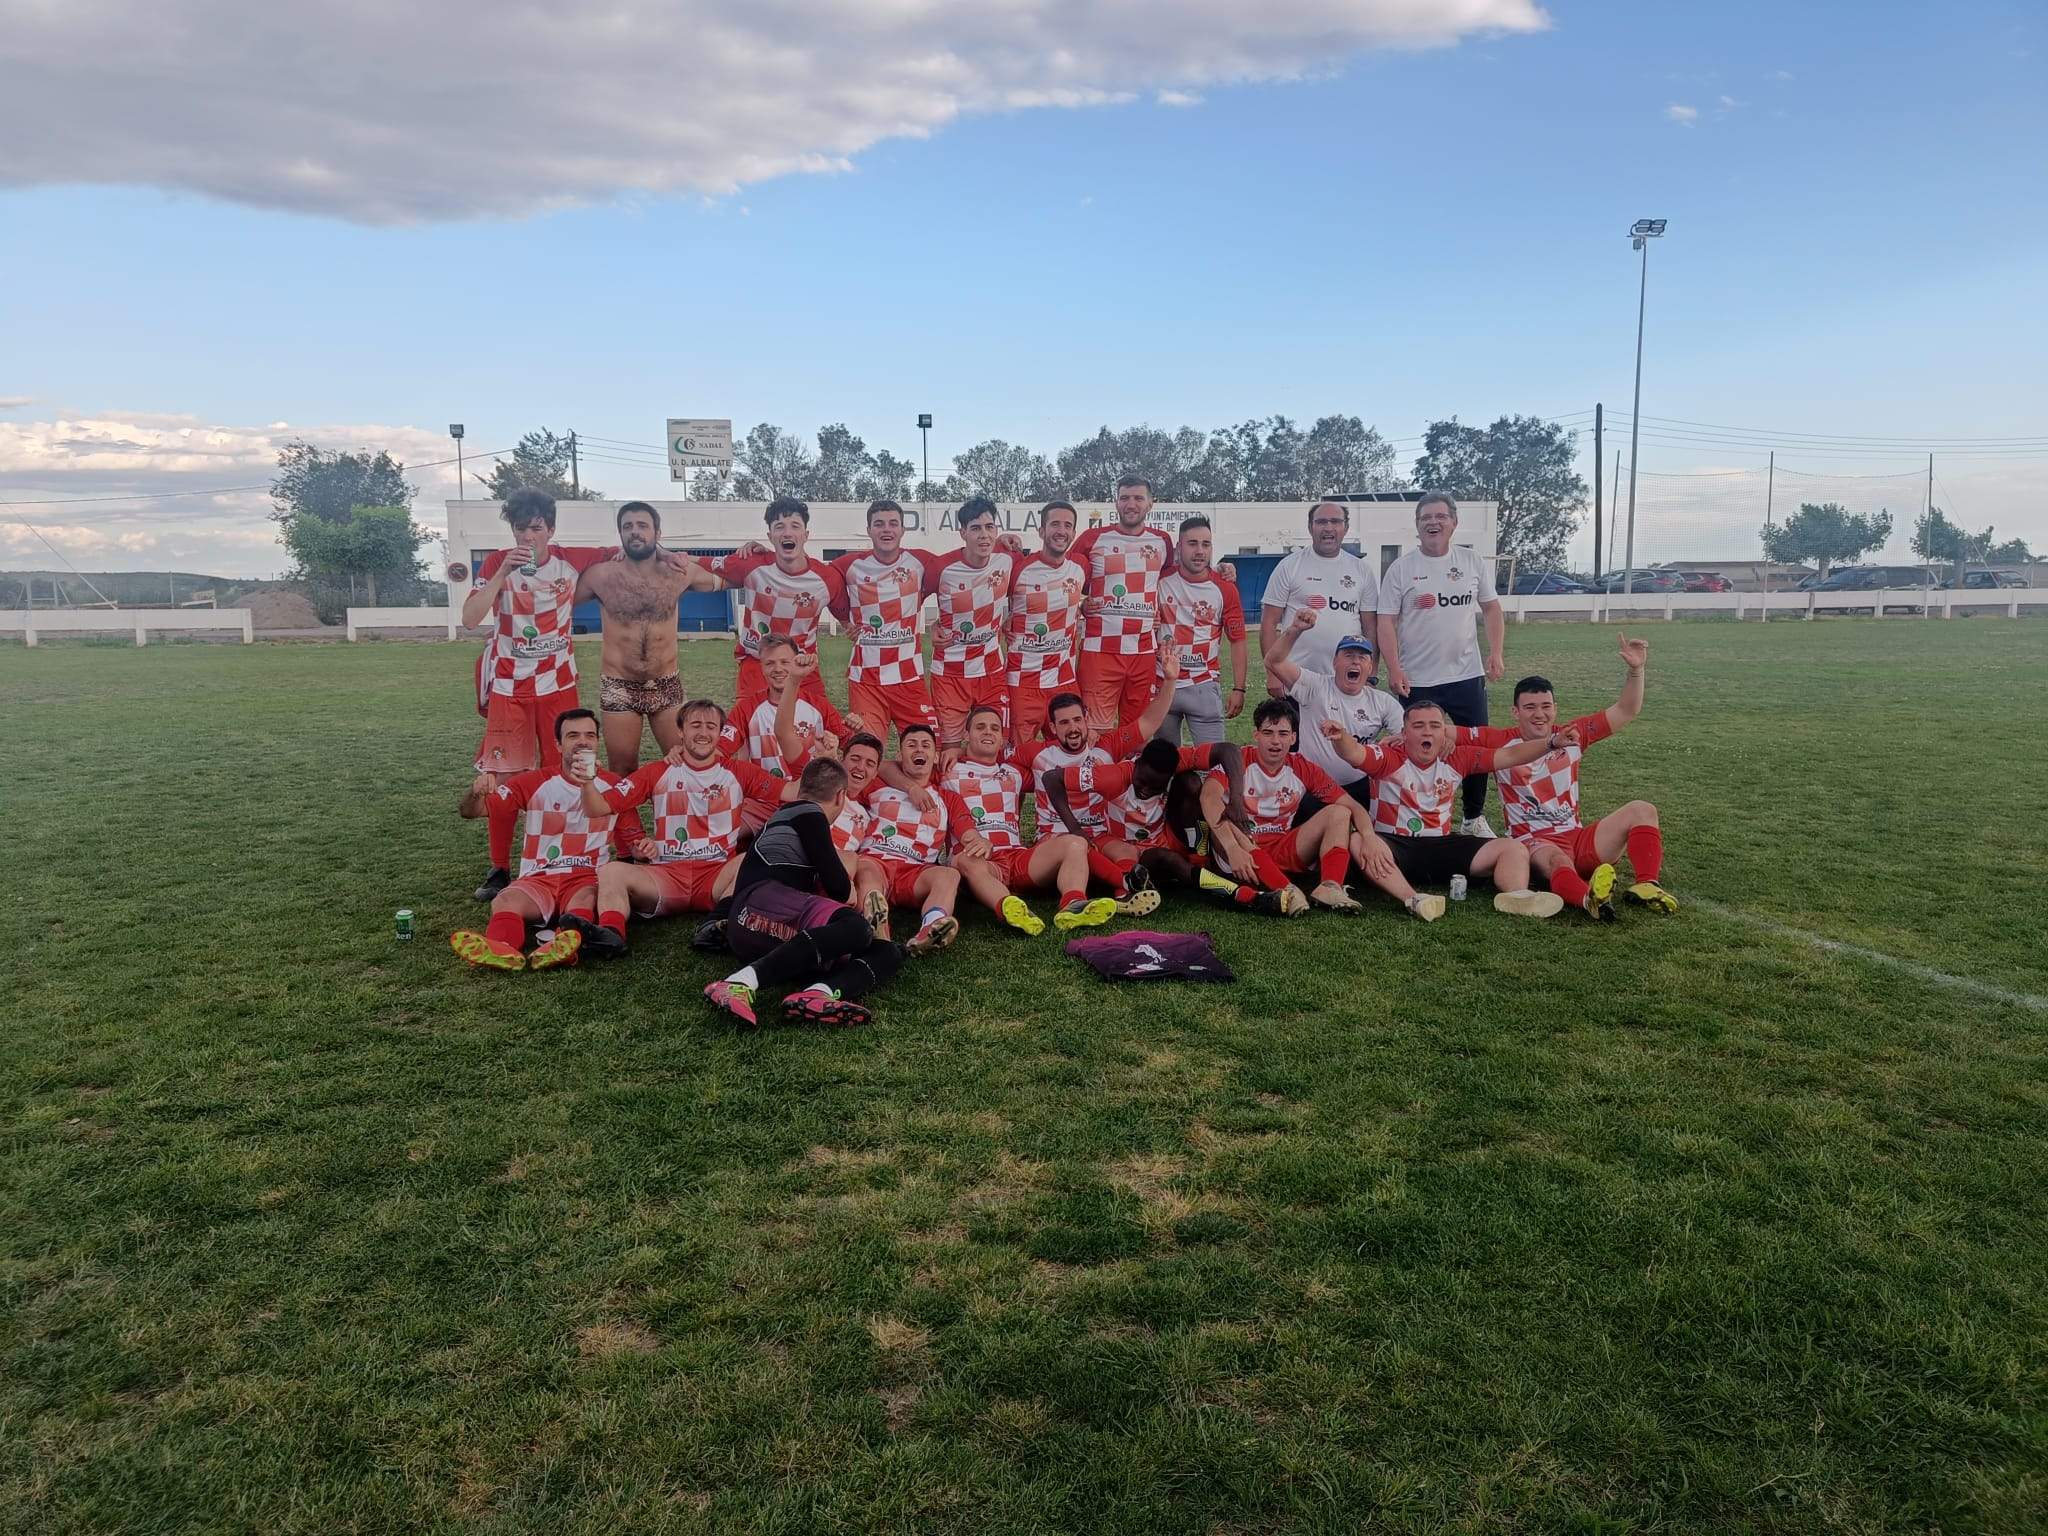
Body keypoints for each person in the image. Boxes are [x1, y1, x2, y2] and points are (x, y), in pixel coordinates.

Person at [460, 488, 685, 898]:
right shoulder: (496, 561)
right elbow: (471, 619)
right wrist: (499, 575)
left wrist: (666, 552)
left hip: (559, 685)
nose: (529, 537)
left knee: (573, 771)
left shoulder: (575, 558)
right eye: (520, 529)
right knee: (504, 780)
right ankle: (497, 869)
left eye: (536, 528)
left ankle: (609, 850)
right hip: (509, 686)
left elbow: (634, 547)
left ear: (551, 529)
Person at [1454, 632, 1677, 919]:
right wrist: (1401, 738)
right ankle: (1589, 900)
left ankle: (1646, 884)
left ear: (1555, 709)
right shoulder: (1499, 740)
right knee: (1558, 859)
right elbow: (1447, 732)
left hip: (1578, 837)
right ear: (1515, 712)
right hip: (1534, 843)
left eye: (1546, 707)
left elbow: (1626, 710)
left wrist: (1636, 670)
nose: (1539, 715)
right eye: (1530, 707)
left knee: (1642, 810)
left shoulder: (1573, 733)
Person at [565, 697, 787, 956]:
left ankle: (714, 926)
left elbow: (792, 791)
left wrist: (827, 758)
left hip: (715, 875)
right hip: (667, 875)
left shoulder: (739, 771)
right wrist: (587, 783)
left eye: (710, 726)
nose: (703, 732)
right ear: (680, 731)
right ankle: (611, 934)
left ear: (719, 733)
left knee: (750, 860)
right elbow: (597, 808)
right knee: (611, 871)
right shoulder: (658, 771)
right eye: (695, 725)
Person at [1318, 701, 1575, 919]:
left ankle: (1517, 895)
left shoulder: (1457, 757)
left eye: (1435, 726)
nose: (1426, 732)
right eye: (1418, 726)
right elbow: (1354, 753)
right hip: (1395, 846)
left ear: (1445, 733)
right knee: (1357, 841)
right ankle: (1414, 899)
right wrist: (1341, 738)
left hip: (1442, 845)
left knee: (1513, 848)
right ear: (1404, 732)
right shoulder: (1387, 758)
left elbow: (1510, 755)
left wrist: (1551, 742)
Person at [704, 758, 906, 1028]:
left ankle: (818, 993)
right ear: (840, 796)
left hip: (759, 929)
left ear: (802, 788)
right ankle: (739, 982)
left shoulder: (784, 817)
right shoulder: (808, 813)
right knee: (855, 928)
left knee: (886, 952)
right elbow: (840, 889)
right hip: (759, 906)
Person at [574, 500, 727, 854]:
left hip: (666, 684)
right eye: (628, 526)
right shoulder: (601, 575)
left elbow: (728, 576)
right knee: (622, 769)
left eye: (643, 525)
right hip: (619, 685)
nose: (635, 532)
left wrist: (753, 553)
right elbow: (553, 599)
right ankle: (629, 848)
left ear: (657, 533)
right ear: (620, 533)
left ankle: (685, 839)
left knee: (682, 759)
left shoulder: (679, 571)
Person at [1043, 736, 1294, 916]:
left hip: (1164, 834)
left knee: (1191, 783)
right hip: (1126, 844)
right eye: (1142, 781)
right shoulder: (1113, 776)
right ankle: (1246, 897)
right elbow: (1051, 777)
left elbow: (1228, 749)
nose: (1145, 789)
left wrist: (1236, 799)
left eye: (1155, 787)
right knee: (1167, 861)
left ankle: (1197, 853)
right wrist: (1075, 828)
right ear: (1137, 764)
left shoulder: (1176, 761)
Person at [1376, 492, 1506, 837]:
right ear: (1417, 526)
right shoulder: (1402, 568)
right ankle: (1413, 813)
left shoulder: (1471, 561)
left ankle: (1472, 818)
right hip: (1416, 678)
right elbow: (1385, 620)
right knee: (1413, 747)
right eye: (1425, 518)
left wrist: (1495, 652)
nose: (1433, 523)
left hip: (1466, 674)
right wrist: (1394, 667)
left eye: (1440, 517)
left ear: (1454, 522)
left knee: (1477, 747)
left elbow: (1492, 608)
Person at [452, 708, 619, 970]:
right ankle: (501, 949)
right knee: (504, 900)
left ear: (598, 741)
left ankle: (565, 947)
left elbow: (633, 835)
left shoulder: (614, 785)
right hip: (538, 876)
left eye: (590, 735)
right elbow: (471, 812)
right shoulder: (532, 782)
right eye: (573, 735)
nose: (583, 741)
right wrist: (475, 793)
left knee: (585, 899)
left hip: (586, 876)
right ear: (558, 744)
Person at [939, 704, 1120, 933]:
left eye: (995, 728)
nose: (988, 732)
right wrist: (953, 751)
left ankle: (1073, 905)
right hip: (979, 860)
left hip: (1016, 858)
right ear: (966, 734)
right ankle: (1009, 907)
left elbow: (1058, 767)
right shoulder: (945, 769)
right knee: (966, 860)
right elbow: (892, 768)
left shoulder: (1014, 772)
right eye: (980, 727)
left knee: (1076, 843)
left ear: (1002, 738)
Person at [1014, 654, 1179, 901]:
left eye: (1078, 720)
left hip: (1099, 832)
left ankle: (1125, 897)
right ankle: (1126, 883)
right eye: (1064, 722)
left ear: (1087, 718)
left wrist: (1170, 681)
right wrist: (958, 751)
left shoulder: (1106, 745)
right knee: (1079, 847)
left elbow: (1149, 722)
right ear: (1053, 726)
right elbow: (996, 765)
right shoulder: (1035, 752)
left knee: (1125, 850)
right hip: (1056, 834)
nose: (1073, 728)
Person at [1195, 699, 1378, 912]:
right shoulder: (1238, 760)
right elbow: (1208, 797)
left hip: (1281, 846)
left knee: (1339, 812)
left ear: (1293, 738)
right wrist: (1232, 847)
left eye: (1283, 734)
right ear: (1256, 735)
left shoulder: (1301, 767)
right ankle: (1287, 890)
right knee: (1235, 824)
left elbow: (1353, 806)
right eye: (1268, 733)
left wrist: (1370, 837)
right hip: (1240, 853)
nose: (1275, 741)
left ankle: (1330, 886)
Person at [704, 497, 848, 723]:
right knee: (750, 732)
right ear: (770, 536)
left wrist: (854, 627)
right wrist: (658, 554)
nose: (787, 533)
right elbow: (694, 565)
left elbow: (848, 614)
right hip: (758, 664)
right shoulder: (753, 563)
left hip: (802, 665)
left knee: (820, 731)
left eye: (795, 526)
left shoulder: (827, 578)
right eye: (779, 527)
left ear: (806, 536)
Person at [829, 499, 943, 745]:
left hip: (908, 678)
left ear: (903, 530)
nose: (886, 529)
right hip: (866, 681)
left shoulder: (919, 562)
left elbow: (959, 573)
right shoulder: (850, 565)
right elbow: (817, 576)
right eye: (879, 524)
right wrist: (843, 618)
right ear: (869, 530)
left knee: (927, 748)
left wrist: (942, 621)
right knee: (865, 751)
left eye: (893, 523)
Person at [1069, 474, 1178, 730]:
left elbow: (1173, 578)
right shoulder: (1092, 538)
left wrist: (1223, 569)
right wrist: (1081, 605)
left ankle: (1130, 772)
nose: (1131, 504)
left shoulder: (1162, 541)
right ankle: (1097, 771)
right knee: (1095, 730)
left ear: (1151, 504)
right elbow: (1066, 578)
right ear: (1116, 503)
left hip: (1143, 653)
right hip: (1100, 651)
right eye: (1125, 498)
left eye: (1139, 498)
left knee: (1137, 731)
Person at [853, 723, 974, 953]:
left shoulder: (947, 797)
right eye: (911, 745)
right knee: (866, 871)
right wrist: (911, 788)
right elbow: (875, 768)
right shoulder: (877, 783)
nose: (919, 750)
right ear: (899, 755)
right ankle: (879, 932)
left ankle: (931, 929)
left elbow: (966, 828)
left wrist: (976, 839)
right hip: (877, 859)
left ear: (935, 756)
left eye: (926, 745)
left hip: (916, 870)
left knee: (949, 875)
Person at [1263, 607, 1403, 805]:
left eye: (1362, 657)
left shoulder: (1382, 701)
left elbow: (1406, 736)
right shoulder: (1314, 685)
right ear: (1335, 662)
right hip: (1312, 784)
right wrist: (1295, 629)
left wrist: (1395, 740)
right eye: (1348, 655)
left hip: (1360, 784)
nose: (1355, 660)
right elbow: (1273, 661)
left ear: (1370, 668)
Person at [1259, 501, 1377, 692]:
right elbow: (1268, 623)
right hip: (1295, 679)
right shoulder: (1289, 566)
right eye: (1321, 522)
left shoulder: (1362, 570)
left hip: (1346, 682)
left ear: (1345, 528)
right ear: (1310, 527)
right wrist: (1273, 674)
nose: (1328, 528)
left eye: (1335, 521)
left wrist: (1371, 676)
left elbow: (1371, 628)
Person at [925, 498, 1015, 747]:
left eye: (989, 527)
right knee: (950, 748)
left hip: (991, 671)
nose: (984, 535)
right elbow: (910, 603)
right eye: (976, 528)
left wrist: (1012, 619)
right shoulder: (941, 568)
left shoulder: (1007, 559)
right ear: (963, 532)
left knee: (997, 744)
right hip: (950, 674)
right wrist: (932, 626)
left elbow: (1029, 589)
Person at [1154, 514, 1248, 746]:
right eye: (1192, 543)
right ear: (1178, 547)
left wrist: (1239, 688)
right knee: (1165, 765)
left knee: (1212, 763)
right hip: (1162, 683)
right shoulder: (1158, 579)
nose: (1199, 551)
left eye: (1206, 544)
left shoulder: (1225, 588)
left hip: (1203, 684)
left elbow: (1238, 641)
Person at [1005, 499, 1088, 745]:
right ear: (1041, 531)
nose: (1061, 531)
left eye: (1067, 525)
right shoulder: (1018, 568)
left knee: (1072, 749)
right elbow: (988, 597)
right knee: (1018, 755)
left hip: (1063, 677)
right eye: (1054, 524)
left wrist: (1084, 606)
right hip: (1022, 680)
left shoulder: (1080, 566)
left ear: (1074, 532)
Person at [724, 639, 850, 782]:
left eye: (785, 662)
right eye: (770, 663)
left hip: (810, 793)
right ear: (761, 667)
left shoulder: (819, 705)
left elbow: (852, 744)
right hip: (764, 797)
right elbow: (719, 751)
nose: (778, 669)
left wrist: (856, 729)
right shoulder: (746, 708)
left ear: (796, 663)